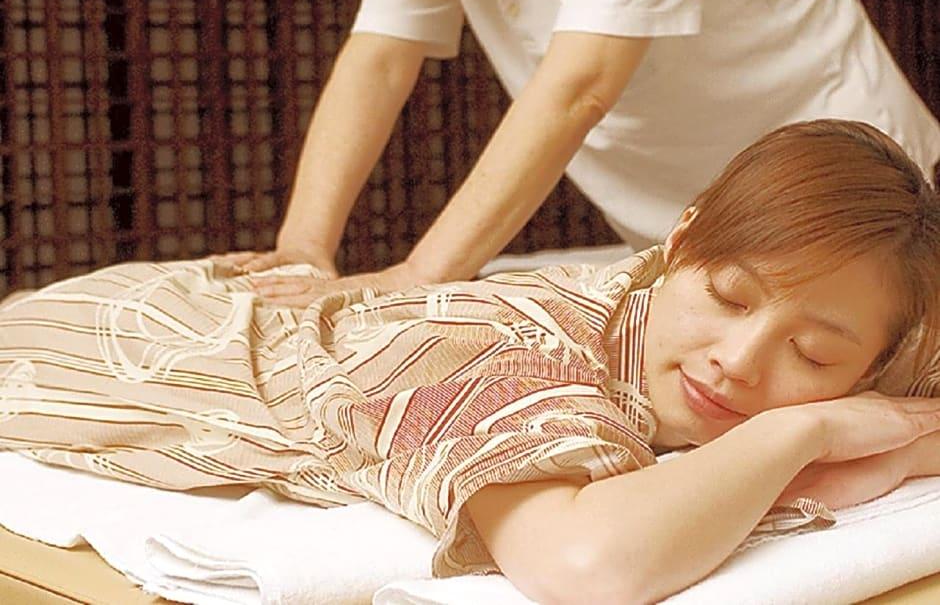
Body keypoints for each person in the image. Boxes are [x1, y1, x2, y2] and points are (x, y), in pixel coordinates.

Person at [1, 120, 939, 602]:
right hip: (113, 341)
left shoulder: (862, 322)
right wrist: (809, 431)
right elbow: (587, 565)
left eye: (812, 354)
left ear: (874, 361)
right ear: (680, 240)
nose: (738, 361)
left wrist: (881, 437)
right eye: (728, 297)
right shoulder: (519, 346)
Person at [216, 0, 940, 308]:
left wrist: (417, 277)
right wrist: (304, 247)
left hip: (847, 187)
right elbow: (377, 60)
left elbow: (581, 85)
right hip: (681, 231)